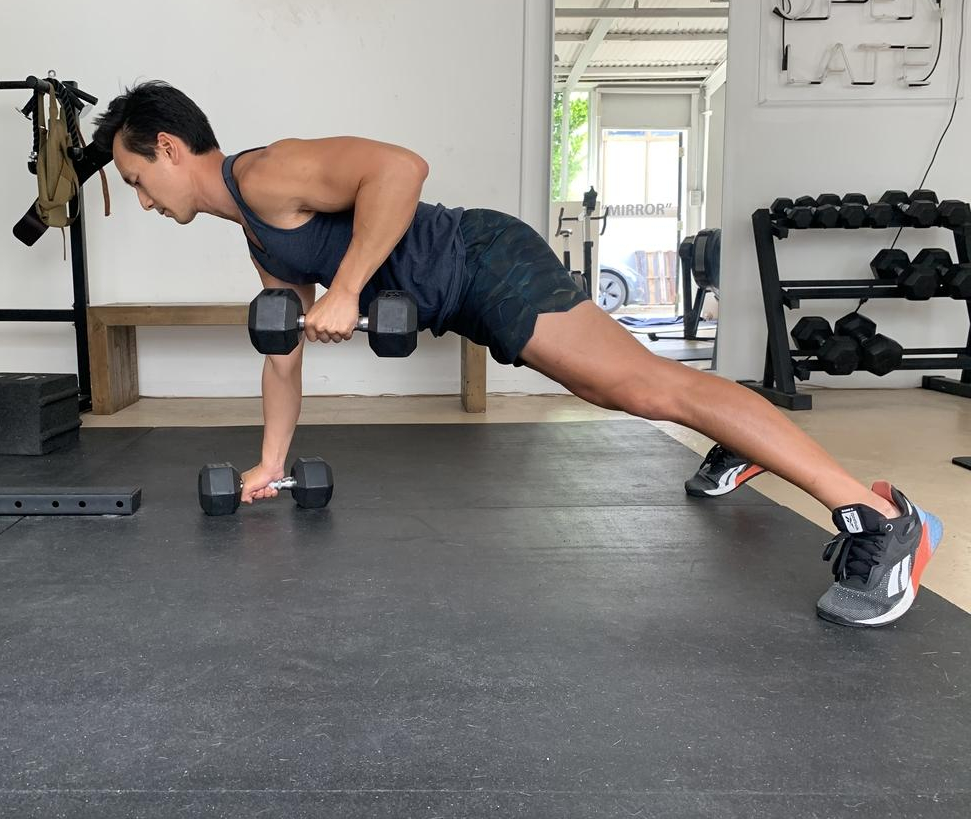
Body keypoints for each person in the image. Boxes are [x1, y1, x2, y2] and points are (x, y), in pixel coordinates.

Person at [91, 81, 942, 629]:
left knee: (652, 391)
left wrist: (349, 286)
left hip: (486, 262)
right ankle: (745, 439)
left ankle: (880, 520)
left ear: (167, 148)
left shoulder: (267, 174)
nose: (140, 199)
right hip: (470, 295)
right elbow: (283, 353)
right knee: (637, 391)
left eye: (134, 178)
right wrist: (270, 462)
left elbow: (399, 168)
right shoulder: (258, 236)